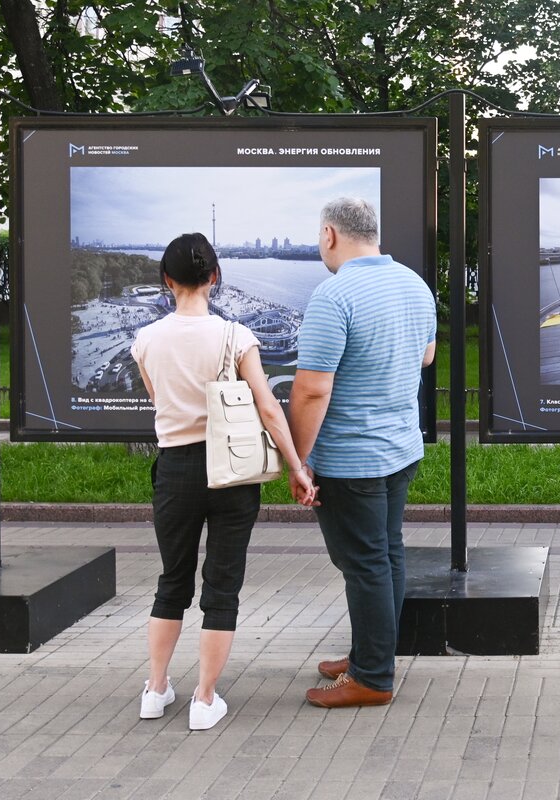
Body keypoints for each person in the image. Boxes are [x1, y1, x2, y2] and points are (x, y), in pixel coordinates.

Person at [131, 232, 317, 731]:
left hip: (174, 469)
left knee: (171, 582)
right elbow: (266, 407)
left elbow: (158, 400)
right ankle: (204, 699)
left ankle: (155, 689)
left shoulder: (145, 340)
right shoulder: (236, 337)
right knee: (222, 586)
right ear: (214, 276)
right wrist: (296, 468)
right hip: (232, 470)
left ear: (167, 280)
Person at [290, 197, 436, 708]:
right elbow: (427, 355)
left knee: (365, 562)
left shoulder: (334, 295)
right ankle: (371, 654)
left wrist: (297, 459)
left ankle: (372, 678)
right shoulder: (414, 285)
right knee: (386, 552)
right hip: (400, 448)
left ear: (330, 234)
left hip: (351, 458)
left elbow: (311, 390)